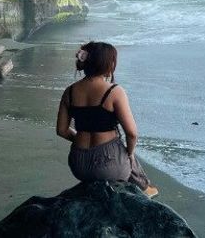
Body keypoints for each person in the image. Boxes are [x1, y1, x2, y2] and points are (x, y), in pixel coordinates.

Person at [56, 41, 158, 197]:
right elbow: (132, 133)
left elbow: (61, 130)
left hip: (79, 164)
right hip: (107, 165)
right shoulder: (114, 91)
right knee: (126, 152)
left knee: (120, 150)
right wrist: (129, 154)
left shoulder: (69, 91)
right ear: (106, 64)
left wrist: (80, 138)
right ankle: (144, 189)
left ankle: (143, 187)